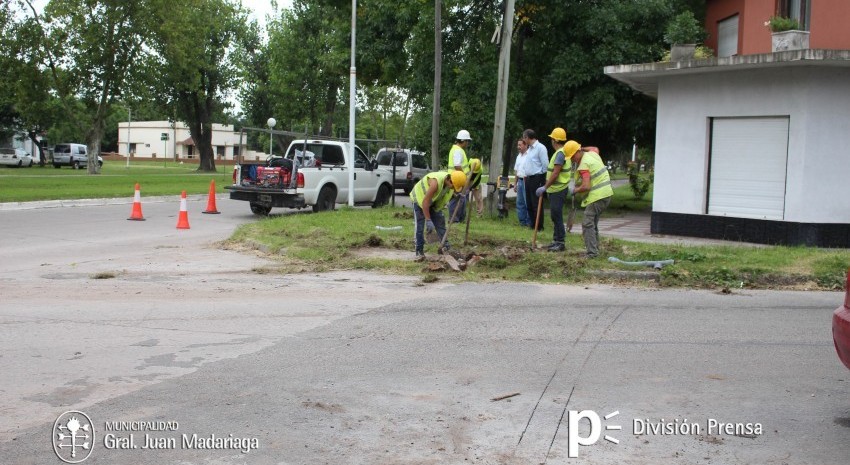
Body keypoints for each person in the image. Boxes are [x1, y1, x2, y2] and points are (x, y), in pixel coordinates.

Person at [410, 170, 467, 259]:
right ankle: (419, 250)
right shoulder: (435, 183)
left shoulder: (449, 182)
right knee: (420, 226)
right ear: (449, 180)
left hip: (433, 202)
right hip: (420, 199)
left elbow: (444, 192)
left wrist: (457, 196)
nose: (453, 188)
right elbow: (425, 202)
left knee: (440, 222)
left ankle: (445, 246)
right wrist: (428, 220)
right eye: (453, 186)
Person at [570, 142, 614, 258]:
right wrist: (582, 148)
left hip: (598, 196)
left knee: (587, 222)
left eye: (573, 156)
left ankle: (592, 253)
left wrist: (575, 190)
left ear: (578, 152)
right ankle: (595, 250)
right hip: (606, 194)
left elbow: (586, 186)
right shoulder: (592, 154)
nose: (572, 160)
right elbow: (595, 147)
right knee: (593, 223)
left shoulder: (584, 165)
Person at [535, 129, 573, 252]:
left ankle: (560, 242)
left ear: (555, 140)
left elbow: (556, 173)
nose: (551, 141)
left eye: (552, 139)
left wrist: (545, 187)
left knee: (556, 214)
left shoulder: (560, 153)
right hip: (555, 189)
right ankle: (556, 240)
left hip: (558, 189)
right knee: (554, 215)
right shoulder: (560, 152)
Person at [522, 129, 549, 231]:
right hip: (528, 178)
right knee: (529, 202)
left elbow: (545, 165)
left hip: (536, 177)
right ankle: (533, 224)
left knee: (536, 203)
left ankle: (539, 226)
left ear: (527, 138)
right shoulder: (530, 149)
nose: (524, 140)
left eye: (524, 138)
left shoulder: (540, 148)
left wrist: (541, 180)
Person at [447, 130, 472, 223]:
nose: (468, 143)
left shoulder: (457, 149)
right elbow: (457, 165)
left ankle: (459, 219)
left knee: (462, 199)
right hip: (457, 180)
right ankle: (454, 219)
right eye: (467, 141)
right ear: (463, 141)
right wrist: (464, 177)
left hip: (457, 179)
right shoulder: (458, 151)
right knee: (456, 199)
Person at [513, 139, 531, 227]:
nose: (518, 147)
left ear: (525, 145)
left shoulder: (530, 155)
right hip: (520, 181)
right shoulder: (518, 156)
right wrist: (515, 183)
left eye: (520, 145)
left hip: (526, 181)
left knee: (527, 202)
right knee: (520, 203)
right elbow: (516, 171)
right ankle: (522, 222)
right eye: (518, 145)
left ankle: (529, 222)